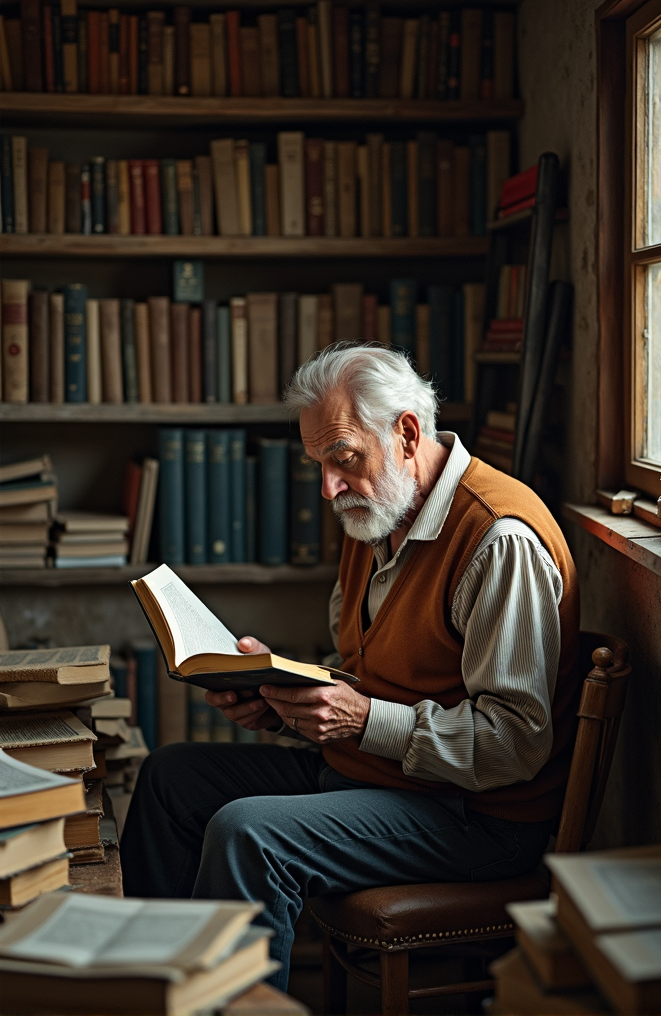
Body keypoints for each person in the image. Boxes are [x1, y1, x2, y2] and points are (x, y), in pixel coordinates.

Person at [121, 344, 580, 992]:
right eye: (320, 464)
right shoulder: (379, 510)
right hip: (377, 775)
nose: (329, 487)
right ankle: (148, 994)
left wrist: (362, 720)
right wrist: (280, 701)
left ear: (408, 434)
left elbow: (514, 746)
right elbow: (368, 677)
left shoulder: (499, 540)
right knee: (169, 778)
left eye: (342, 459)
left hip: (475, 816)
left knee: (248, 834)